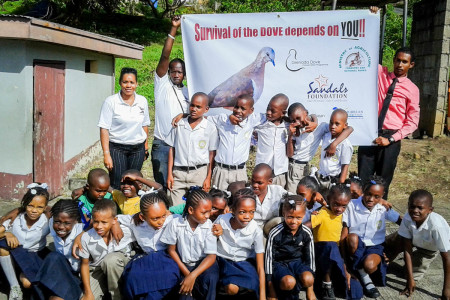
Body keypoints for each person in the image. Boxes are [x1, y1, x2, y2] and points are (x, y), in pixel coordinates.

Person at [358, 47, 420, 199]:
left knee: (383, 184)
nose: (400, 64)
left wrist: (391, 139)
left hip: (391, 138)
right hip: (370, 133)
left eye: (404, 62)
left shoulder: (412, 89)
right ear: (393, 61)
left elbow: (413, 121)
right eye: (397, 60)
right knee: (363, 180)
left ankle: (378, 219)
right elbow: (365, 50)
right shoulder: (380, 74)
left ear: (411, 65)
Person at [341, 176, 402, 298]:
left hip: (375, 246)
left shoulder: (383, 208)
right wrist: (343, 261)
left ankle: (362, 272)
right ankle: (366, 279)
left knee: (369, 265)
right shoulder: (351, 205)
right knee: (352, 237)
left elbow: (402, 222)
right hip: (355, 246)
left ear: (382, 195)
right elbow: (344, 234)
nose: (371, 199)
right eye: (368, 194)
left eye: (377, 196)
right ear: (363, 190)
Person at [384, 189, 450, 299]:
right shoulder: (408, 217)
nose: (415, 211)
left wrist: (446, 290)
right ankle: (386, 256)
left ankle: (415, 261)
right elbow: (406, 248)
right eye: (412, 206)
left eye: (420, 208)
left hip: (428, 249)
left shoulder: (437, 226)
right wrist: (393, 256)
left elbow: (447, 258)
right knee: (387, 244)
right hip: (411, 239)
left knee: (407, 273)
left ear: (430, 210)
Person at [119, 191, 181, 300]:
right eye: (155, 218)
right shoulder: (135, 221)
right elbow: (115, 217)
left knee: (168, 275)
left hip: (166, 257)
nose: (161, 222)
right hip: (145, 257)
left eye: (163, 216)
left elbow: (190, 216)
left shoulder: (172, 220)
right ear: (142, 217)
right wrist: (114, 223)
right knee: (132, 277)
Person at [304, 184, 362, 300]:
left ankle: (336, 283)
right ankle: (327, 284)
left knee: (356, 292)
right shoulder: (322, 213)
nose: (339, 209)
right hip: (320, 253)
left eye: (343, 206)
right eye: (336, 204)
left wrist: (346, 266)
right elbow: (306, 227)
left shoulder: (343, 216)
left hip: (336, 254)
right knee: (330, 245)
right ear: (329, 199)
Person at [160, 189, 218, 300]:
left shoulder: (209, 225)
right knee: (185, 294)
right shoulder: (176, 224)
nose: (207, 216)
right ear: (191, 210)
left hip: (203, 264)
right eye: (203, 212)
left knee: (211, 278)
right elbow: (171, 250)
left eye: (209, 211)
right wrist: (188, 274)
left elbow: (211, 256)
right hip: (183, 265)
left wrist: (193, 275)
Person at [152, 15, 189, 189]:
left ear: (184, 74)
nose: (176, 74)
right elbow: (165, 56)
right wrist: (174, 28)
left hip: (182, 145)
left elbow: (197, 113)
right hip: (162, 145)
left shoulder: (190, 92)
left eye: (180, 72)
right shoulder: (162, 85)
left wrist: (184, 114)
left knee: (177, 187)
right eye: (173, 71)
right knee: (161, 187)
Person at [98, 67, 151, 189]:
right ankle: (116, 208)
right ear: (120, 83)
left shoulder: (142, 101)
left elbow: (145, 125)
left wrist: (146, 148)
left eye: (132, 82)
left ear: (137, 84)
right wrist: (107, 154)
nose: (128, 85)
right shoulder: (111, 102)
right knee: (118, 183)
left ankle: (131, 208)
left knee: (133, 183)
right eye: (125, 82)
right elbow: (104, 128)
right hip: (117, 148)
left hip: (138, 149)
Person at [166, 92, 219, 205]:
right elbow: (172, 149)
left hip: (199, 174)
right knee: (176, 209)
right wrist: (169, 174)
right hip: (178, 174)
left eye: (198, 107)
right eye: (192, 105)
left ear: (206, 109)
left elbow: (211, 154)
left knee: (196, 208)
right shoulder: (179, 124)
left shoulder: (210, 128)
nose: (194, 109)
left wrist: (208, 177)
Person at [286, 103, 352, 193]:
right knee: (294, 195)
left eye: (298, 118)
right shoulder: (294, 129)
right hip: (295, 167)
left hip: (309, 168)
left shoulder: (320, 128)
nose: (297, 122)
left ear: (306, 113)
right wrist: (290, 136)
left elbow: (349, 128)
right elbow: (290, 154)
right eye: (293, 120)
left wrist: (334, 144)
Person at [0, 183, 51, 300]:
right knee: (2, 246)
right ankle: (14, 287)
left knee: (27, 283)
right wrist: (7, 233)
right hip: (16, 252)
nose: (34, 210)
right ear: (24, 205)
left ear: (45, 208)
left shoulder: (47, 221)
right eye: (30, 206)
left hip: (35, 256)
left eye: (39, 207)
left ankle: (19, 276)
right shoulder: (16, 218)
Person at [213, 188, 266, 299]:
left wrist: (263, 296)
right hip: (223, 261)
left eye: (252, 212)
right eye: (242, 212)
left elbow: (260, 266)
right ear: (232, 210)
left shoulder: (256, 230)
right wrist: (217, 233)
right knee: (231, 288)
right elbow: (210, 237)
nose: (247, 216)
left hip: (244, 263)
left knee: (252, 284)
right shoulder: (222, 220)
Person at [78, 199, 133, 300]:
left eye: (104, 222)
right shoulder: (86, 237)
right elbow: (85, 264)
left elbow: (141, 216)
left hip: (121, 267)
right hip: (97, 269)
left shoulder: (126, 231)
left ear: (114, 220)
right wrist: (88, 292)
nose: (99, 226)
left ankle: (117, 297)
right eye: (95, 222)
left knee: (111, 261)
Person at [208, 95, 265, 190]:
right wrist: (184, 115)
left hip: (239, 173)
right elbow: (202, 118)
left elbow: (274, 115)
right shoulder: (222, 119)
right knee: (218, 200)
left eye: (243, 108)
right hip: (221, 171)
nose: (238, 111)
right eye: (236, 107)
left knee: (239, 202)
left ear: (251, 111)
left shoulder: (252, 121)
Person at [265, 195, 316, 300]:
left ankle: (302, 291)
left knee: (308, 278)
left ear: (304, 215)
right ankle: (281, 292)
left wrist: (310, 291)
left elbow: (310, 259)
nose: (294, 221)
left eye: (298, 218)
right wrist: (271, 291)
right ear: (284, 214)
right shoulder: (275, 233)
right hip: (280, 265)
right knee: (289, 282)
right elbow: (269, 261)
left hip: (297, 263)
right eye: (290, 217)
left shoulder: (306, 233)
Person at [33, 200, 84, 300]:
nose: (61, 227)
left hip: (78, 276)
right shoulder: (51, 222)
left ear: (76, 220)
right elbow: (44, 209)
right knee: (53, 257)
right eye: (57, 221)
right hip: (62, 269)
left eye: (67, 223)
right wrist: (18, 210)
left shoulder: (82, 231)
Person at [254, 94, 290, 188]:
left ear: (283, 113)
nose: (268, 113)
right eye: (267, 109)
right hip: (262, 172)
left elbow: (306, 119)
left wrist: (313, 119)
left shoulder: (287, 125)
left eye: (273, 111)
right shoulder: (261, 122)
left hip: (280, 173)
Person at [315, 109, 353, 191]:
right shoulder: (326, 136)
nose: (333, 126)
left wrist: (340, 185)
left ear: (345, 125)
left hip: (334, 179)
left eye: (337, 124)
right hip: (321, 176)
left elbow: (345, 166)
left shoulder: (345, 144)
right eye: (331, 123)